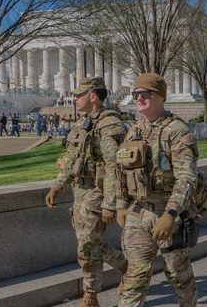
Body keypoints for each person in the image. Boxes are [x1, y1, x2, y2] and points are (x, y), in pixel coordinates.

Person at [114, 72, 199, 307]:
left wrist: (170, 215)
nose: (138, 98)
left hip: (171, 216)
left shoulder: (177, 131)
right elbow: (122, 171)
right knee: (134, 277)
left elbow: (187, 179)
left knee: (178, 277)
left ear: (160, 96)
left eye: (144, 94)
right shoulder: (134, 131)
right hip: (139, 214)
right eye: (135, 94)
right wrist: (121, 205)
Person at [45, 77, 129, 307]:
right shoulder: (83, 123)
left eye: (78, 94)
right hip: (80, 193)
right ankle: (127, 267)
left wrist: (111, 203)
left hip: (98, 193)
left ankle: (90, 297)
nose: (74, 98)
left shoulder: (109, 124)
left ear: (93, 96)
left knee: (86, 246)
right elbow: (72, 160)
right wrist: (58, 187)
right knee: (92, 243)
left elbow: (115, 166)